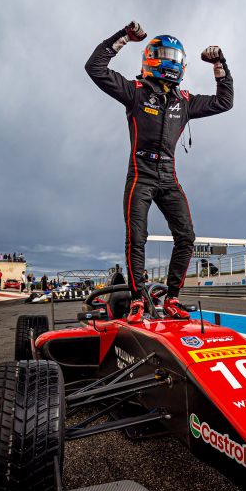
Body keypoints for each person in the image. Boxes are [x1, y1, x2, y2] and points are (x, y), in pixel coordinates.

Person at [86, 21, 233, 323]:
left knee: (187, 236)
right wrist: (123, 37)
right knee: (136, 236)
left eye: (176, 57)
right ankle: (138, 299)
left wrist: (219, 64)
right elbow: (95, 67)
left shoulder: (185, 101)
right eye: (166, 54)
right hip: (140, 172)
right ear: (152, 57)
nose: (172, 61)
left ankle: (173, 298)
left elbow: (224, 102)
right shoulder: (135, 91)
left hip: (168, 175)